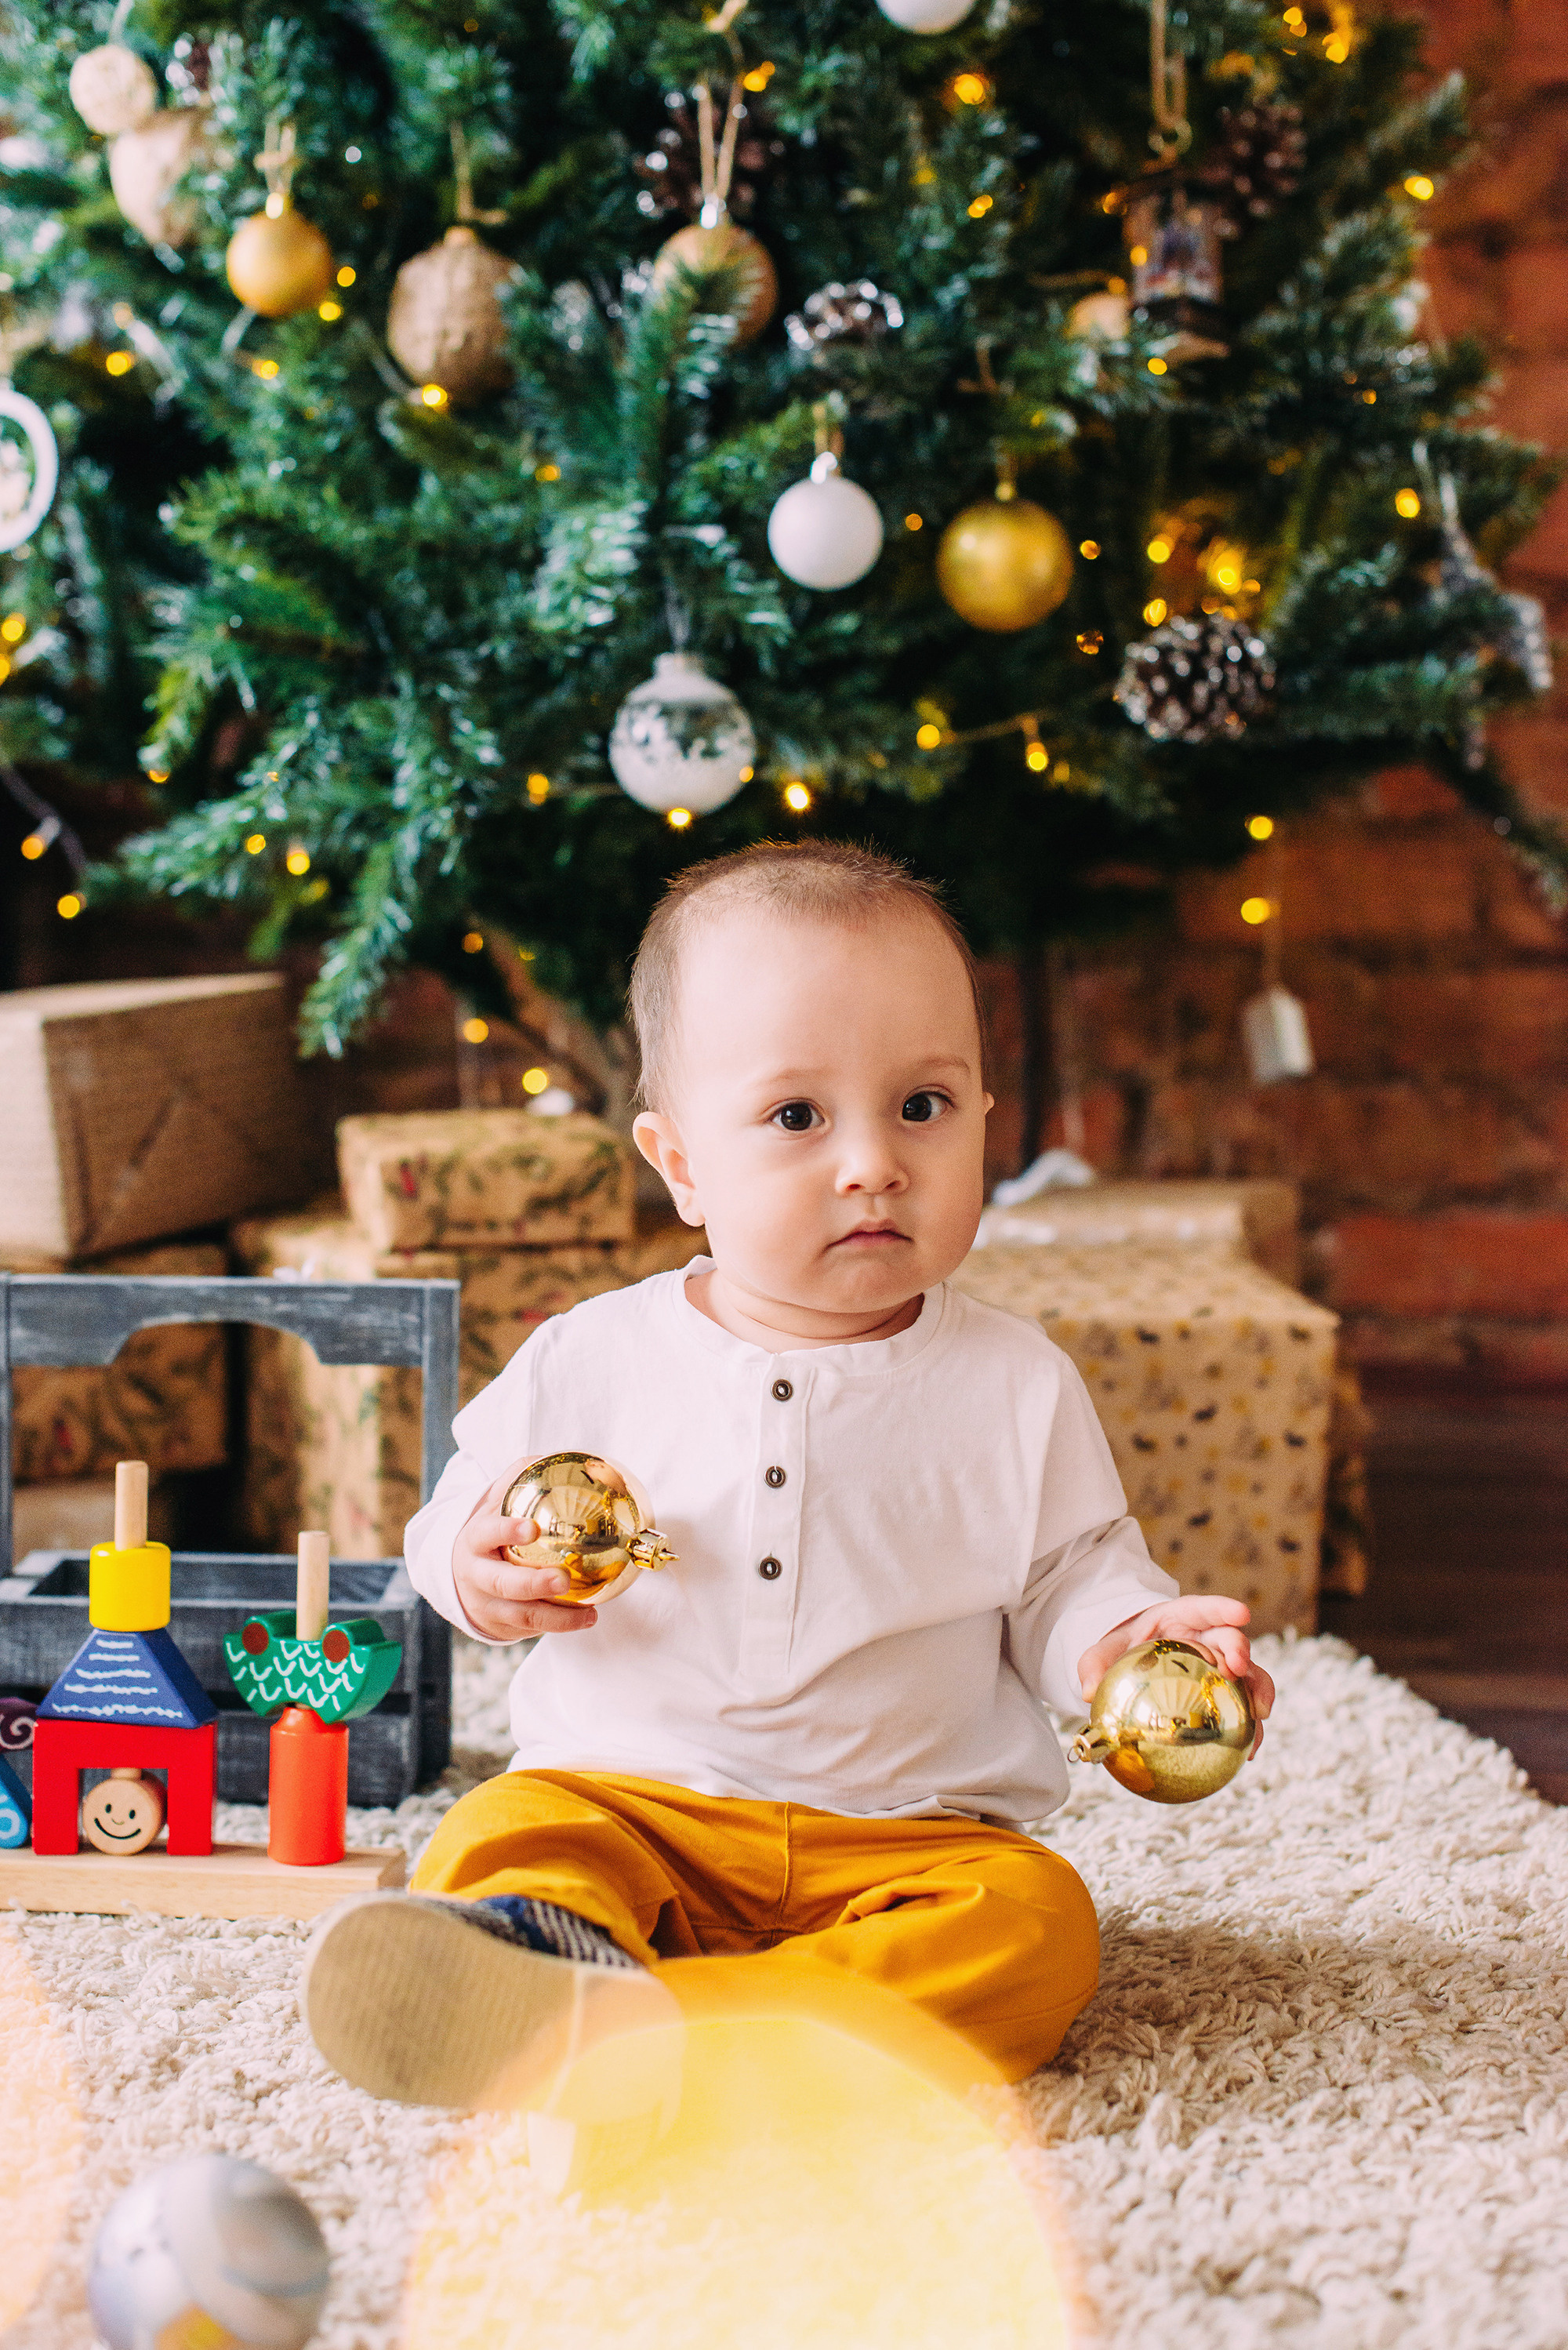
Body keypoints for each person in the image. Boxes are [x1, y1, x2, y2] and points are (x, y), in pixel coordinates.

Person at [303, 840, 1273, 2189]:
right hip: (633, 1799)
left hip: (912, 1833)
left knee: (1036, 1927)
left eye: (924, 1104)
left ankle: (674, 2034)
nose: (873, 1163)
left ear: (988, 1114)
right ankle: (562, 1962)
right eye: (799, 1118)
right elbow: (453, 1518)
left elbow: (1068, 1576)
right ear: (680, 1162)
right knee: (500, 1841)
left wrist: (1121, 1647)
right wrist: (474, 1567)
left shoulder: (1011, 1379)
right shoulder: (593, 1354)